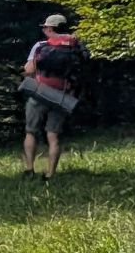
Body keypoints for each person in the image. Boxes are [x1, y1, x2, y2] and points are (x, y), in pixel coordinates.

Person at [21, 13, 89, 179]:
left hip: (40, 92)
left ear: (51, 28)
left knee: (31, 132)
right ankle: (50, 173)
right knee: (53, 135)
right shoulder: (75, 45)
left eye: (45, 27)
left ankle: (30, 169)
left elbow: (29, 70)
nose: (44, 29)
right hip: (62, 95)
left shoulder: (40, 45)